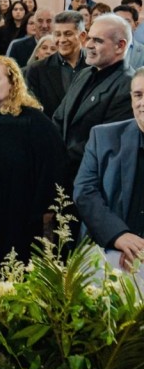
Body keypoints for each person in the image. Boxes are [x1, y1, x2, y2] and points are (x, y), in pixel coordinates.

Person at [0, 57, 64, 268]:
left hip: (20, 216)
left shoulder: (34, 122)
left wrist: (41, 215)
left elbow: (53, 169)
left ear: (13, 83)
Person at [53, 14, 135, 190]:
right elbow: (59, 118)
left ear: (120, 46)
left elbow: (106, 140)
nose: (88, 44)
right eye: (88, 38)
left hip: (94, 184)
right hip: (63, 178)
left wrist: (57, 159)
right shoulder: (84, 73)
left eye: (97, 40)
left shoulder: (129, 85)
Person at [75, 68, 144, 271]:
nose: (142, 103)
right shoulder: (103, 137)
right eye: (138, 95)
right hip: (106, 254)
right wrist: (118, 236)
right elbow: (84, 192)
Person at [23, 11, 88, 118]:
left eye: (68, 34)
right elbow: (32, 112)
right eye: (57, 34)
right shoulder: (37, 70)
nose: (62, 40)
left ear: (82, 36)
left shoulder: (96, 66)